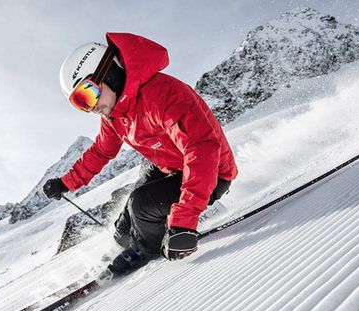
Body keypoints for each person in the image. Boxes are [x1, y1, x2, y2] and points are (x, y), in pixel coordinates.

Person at [43, 33, 238, 276]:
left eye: (88, 94)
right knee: (123, 229)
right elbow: (101, 151)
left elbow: (202, 149)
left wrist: (184, 223)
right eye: (81, 103)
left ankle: (149, 250)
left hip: (212, 171)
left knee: (141, 205)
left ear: (109, 74)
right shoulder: (114, 116)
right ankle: (133, 242)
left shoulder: (162, 94)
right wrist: (65, 182)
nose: (91, 107)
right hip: (172, 165)